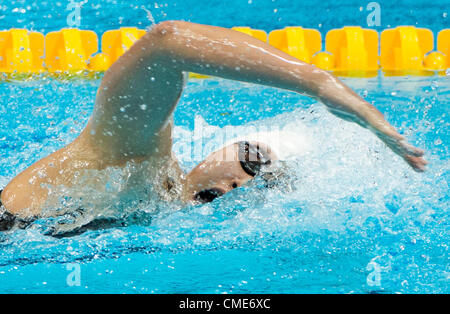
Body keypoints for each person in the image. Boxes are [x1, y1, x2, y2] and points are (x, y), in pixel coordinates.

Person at [0, 21, 427, 228]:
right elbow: (167, 43)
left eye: (253, 161)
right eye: (254, 155)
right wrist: (318, 83)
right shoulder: (145, 175)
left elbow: (165, 43)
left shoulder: (147, 179)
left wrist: (318, 83)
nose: (239, 178)